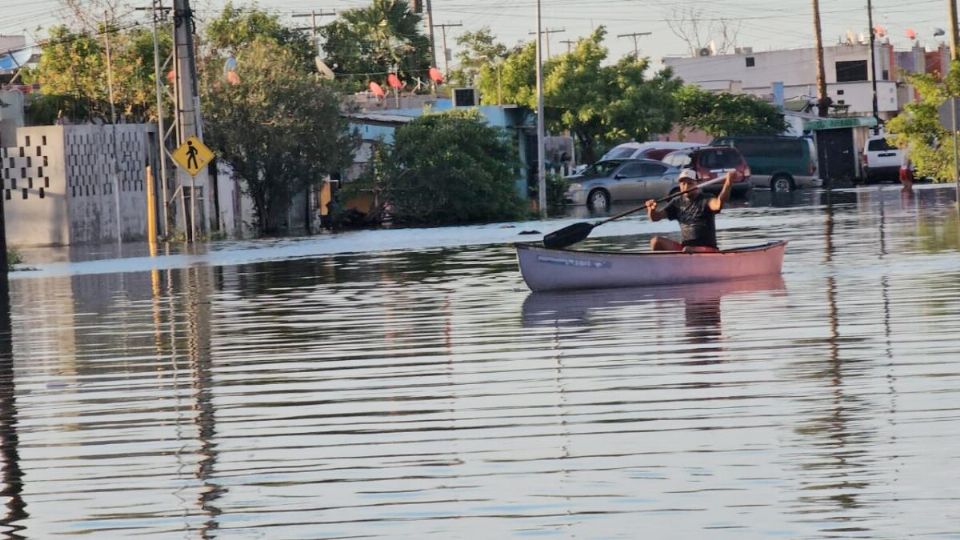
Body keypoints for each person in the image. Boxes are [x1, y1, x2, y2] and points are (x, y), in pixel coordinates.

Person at [644, 168, 738, 253]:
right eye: (683, 183)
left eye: (690, 183)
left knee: (687, 249)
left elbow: (718, 205)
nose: (686, 187)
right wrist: (651, 209)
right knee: (656, 242)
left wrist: (728, 183)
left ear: (696, 184)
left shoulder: (706, 199)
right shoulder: (677, 202)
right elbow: (655, 217)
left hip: (707, 249)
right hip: (685, 249)